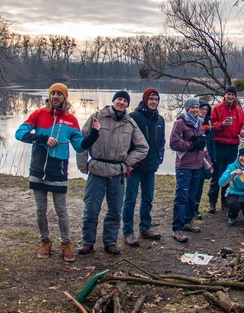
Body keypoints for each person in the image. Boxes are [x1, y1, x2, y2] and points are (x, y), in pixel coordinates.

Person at [15, 83, 101, 262]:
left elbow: (79, 146)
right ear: (49, 95)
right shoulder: (38, 114)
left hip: (58, 171)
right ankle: (44, 241)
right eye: (53, 93)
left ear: (65, 97)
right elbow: (19, 133)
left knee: (61, 210)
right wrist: (43, 138)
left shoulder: (71, 120)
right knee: (40, 209)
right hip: (38, 169)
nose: (55, 96)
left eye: (59, 94)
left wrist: (93, 134)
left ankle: (66, 243)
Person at [77, 90, 149, 255]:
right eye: (119, 99)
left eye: (125, 100)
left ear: (127, 104)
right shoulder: (98, 117)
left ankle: (110, 242)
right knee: (91, 209)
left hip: (117, 172)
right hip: (96, 170)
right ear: (113, 101)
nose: (121, 102)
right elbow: (82, 141)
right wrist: (83, 165)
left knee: (115, 210)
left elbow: (143, 147)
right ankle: (87, 242)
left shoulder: (130, 124)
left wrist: (127, 163)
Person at [122, 88, 166, 247]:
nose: (154, 102)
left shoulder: (160, 120)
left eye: (156, 99)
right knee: (130, 199)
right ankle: (128, 232)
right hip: (135, 167)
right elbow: (126, 140)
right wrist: (128, 162)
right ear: (145, 100)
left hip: (151, 167)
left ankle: (145, 227)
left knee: (148, 198)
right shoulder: (134, 117)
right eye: (151, 99)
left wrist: (159, 157)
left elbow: (161, 142)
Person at [169, 98, 213, 242]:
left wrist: (209, 164)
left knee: (192, 196)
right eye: (192, 107)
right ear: (187, 109)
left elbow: (203, 146)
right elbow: (174, 144)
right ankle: (177, 228)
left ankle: (188, 221)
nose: (195, 110)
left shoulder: (199, 123)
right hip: (184, 165)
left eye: (196, 107)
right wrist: (191, 145)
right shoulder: (180, 123)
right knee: (181, 196)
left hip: (197, 165)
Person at [208, 86, 244, 213]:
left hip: (232, 146)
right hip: (219, 144)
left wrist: (243, 132)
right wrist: (221, 125)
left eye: (232, 95)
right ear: (224, 95)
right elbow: (210, 125)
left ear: (235, 97)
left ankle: (224, 202)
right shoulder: (216, 109)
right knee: (217, 174)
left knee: (229, 174)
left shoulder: (239, 111)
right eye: (228, 94)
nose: (230, 97)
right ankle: (212, 202)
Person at [194, 100, 216, 219]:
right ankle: (190, 208)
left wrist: (213, 157)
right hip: (195, 157)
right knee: (194, 183)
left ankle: (196, 208)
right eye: (202, 109)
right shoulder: (194, 123)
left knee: (201, 183)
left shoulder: (209, 123)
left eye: (206, 110)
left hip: (207, 157)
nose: (203, 111)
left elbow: (211, 141)